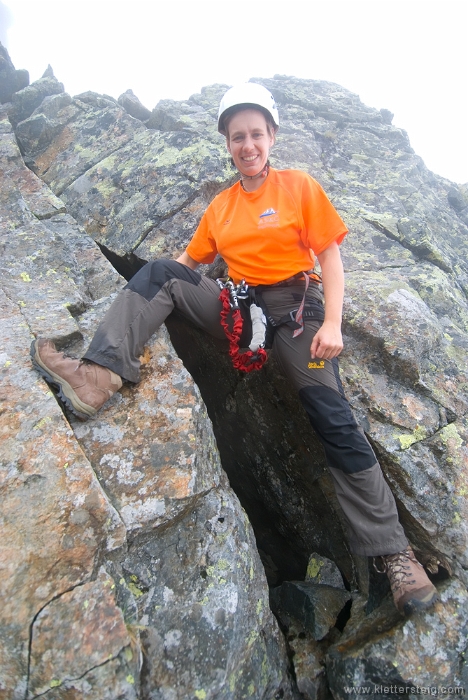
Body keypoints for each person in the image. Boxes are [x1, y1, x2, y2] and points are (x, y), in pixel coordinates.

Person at [31, 83, 438, 616]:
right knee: (160, 273)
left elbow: (330, 257)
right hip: (240, 307)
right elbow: (185, 266)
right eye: (237, 136)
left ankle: (395, 555)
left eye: (256, 134)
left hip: (298, 310)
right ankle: (97, 376)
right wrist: (162, 295)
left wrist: (333, 322)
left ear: (271, 137)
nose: (248, 145)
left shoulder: (299, 188)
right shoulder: (220, 208)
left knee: (330, 412)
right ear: (227, 142)